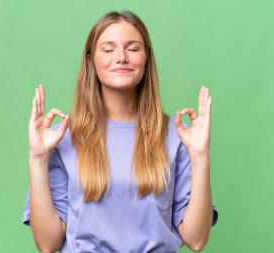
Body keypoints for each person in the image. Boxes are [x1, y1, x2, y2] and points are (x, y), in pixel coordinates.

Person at [22, 10, 218, 253]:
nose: (122, 57)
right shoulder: (61, 138)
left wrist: (200, 157)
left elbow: (197, 240)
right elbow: (47, 244)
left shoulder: (180, 136)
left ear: (146, 59)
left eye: (133, 48)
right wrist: (38, 158)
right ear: (90, 60)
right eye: (108, 49)